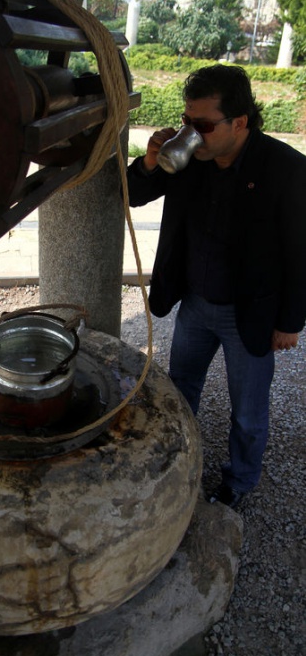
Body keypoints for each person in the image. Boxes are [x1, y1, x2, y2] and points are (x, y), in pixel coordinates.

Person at [127, 64, 306, 509]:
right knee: (180, 390)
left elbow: (301, 252)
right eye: (187, 120)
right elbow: (131, 193)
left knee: (247, 413)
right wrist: (151, 160)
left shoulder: (286, 169)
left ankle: (238, 484)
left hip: (249, 312)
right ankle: (177, 461)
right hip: (194, 303)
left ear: (239, 122)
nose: (192, 131)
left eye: (203, 124)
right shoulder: (190, 157)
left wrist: (289, 322)